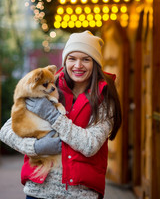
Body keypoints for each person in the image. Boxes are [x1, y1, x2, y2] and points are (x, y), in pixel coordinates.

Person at [0, 30, 122, 199]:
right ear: (65, 61)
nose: (78, 65)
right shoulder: (46, 86)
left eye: (85, 59)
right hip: (38, 191)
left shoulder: (104, 97)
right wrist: (36, 147)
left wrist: (53, 116)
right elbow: (6, 131)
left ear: (95, 63)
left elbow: (90, 145)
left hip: (82, 194)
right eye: (72, 59)